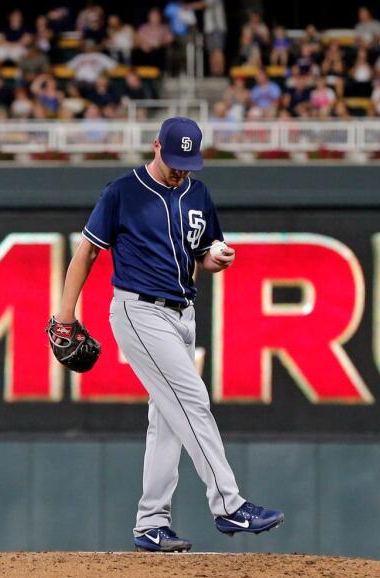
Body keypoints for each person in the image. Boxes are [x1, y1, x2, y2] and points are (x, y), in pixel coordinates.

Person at [50, 117, 285, 553]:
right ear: (156, 146)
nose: (180, 170)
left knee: (168, 421)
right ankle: (228, 505)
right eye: (173, 160)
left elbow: (204, 252)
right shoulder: (122, 191)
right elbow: (86, 252)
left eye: (187, 162)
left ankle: (151, 524)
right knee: (192, 400)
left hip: (183, 315)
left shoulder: (198, 193)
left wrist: (218, 256)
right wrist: (65, 314)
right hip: (138, 310)